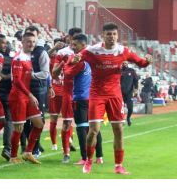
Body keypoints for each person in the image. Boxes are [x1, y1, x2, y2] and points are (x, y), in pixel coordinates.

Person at [71, 23, 152, 174]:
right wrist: (74, 60)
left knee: (119, 130)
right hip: (97, 95)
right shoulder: (92, 50)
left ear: (117, 36)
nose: (112, 37)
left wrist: (148, 60)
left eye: (114, 34)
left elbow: (141, 63)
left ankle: (118, 165)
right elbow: (75, 59)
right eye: (109, 34)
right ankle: (89, 161)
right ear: (103, 36)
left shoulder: (122, 51)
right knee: (93, 130)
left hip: (115, 95)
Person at [63, 34, 103, 165]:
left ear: (83, 45)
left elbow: (67, 73)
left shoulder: (80, 61)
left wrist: (68, 62)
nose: (72, 47)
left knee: (81, 128)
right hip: (94, 97)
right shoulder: (94, 59)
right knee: (95, 128)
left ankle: (84, 158)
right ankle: (99, 157)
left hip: (81, 98)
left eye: (75, 45)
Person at [9, 32, 44, 164]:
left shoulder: (28, 57)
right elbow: (17, 81)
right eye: (28, 41)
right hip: (18, 96)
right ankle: (13, 156)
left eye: (33, 42)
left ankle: (28, 152)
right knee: (19, 127)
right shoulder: (18, 58)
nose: (31, 44)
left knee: (39, 124)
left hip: (26, 95)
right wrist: (30, 95)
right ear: (22, 42)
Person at [52, 27, 82, 163]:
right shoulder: (62, 53)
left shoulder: (87, 53)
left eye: (78, 38)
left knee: (88, 124)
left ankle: (92, 155)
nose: (76, 41)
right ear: (69, 38)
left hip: (84, 93)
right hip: (68, 92)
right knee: (66, 122)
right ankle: (66, 153)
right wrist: (65, 63)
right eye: (74, 38)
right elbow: (54, 73)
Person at [20, 26, 50, 158]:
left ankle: (35, 149)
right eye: (28, 38)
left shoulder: (41, 52)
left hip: (38, 89)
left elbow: (45, 73)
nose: (31, 41)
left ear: (37, 37)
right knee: (25, 120)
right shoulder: (21, 53)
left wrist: (29, 75)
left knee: (38, 121)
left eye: (33, 37)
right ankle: (29, 148)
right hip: (24, 90)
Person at [48, 38, 66, 151]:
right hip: (55, 90)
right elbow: (48, 53)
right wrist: (54, 48)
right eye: (56, 47)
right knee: (54, 118)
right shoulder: (51, 58)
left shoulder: (67, 57)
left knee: (67, 118)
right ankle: (54, 143)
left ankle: (69, 141)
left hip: (66, 91)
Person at [120, 61, 138, 126]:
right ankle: (122, 120)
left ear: (127, 64)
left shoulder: (132, 71)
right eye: (123, 63)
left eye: (125, 63)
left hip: (129, 93)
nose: (124, 64)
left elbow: (136, 80)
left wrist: (136, 89)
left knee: (130, 108)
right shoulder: (119, 71)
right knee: (120, 108)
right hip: (120, 93)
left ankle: (128, 118)